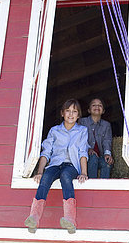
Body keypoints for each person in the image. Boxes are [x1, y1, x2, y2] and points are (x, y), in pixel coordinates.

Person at [24, 99, 88, 234]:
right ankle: (34, 217)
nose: (71, 114)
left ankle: (70, 218)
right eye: (68, 111)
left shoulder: (82, 130)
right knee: (45, 178)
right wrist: (40, 171)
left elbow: (83, 151)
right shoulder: (54, 130)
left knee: (65, 176)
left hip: (71, 166)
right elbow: (46, 152)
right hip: (55, 164)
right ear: (62, 113)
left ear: (78, 115)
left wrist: (83, 172)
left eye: (74, 111)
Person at [80, 97, 113, 178]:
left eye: (100, 105)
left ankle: (103, 188)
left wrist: (107, 154)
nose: (97, 107)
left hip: (100, 157)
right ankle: (91, 185)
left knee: (107, 162)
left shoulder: (106, 125)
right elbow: (79, 139)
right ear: (89, 110)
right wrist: (88, 149)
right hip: (86, 158)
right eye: (94, 105)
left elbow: (107, 140)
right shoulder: (82, 122)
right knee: (93, 158)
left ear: (103, 111)